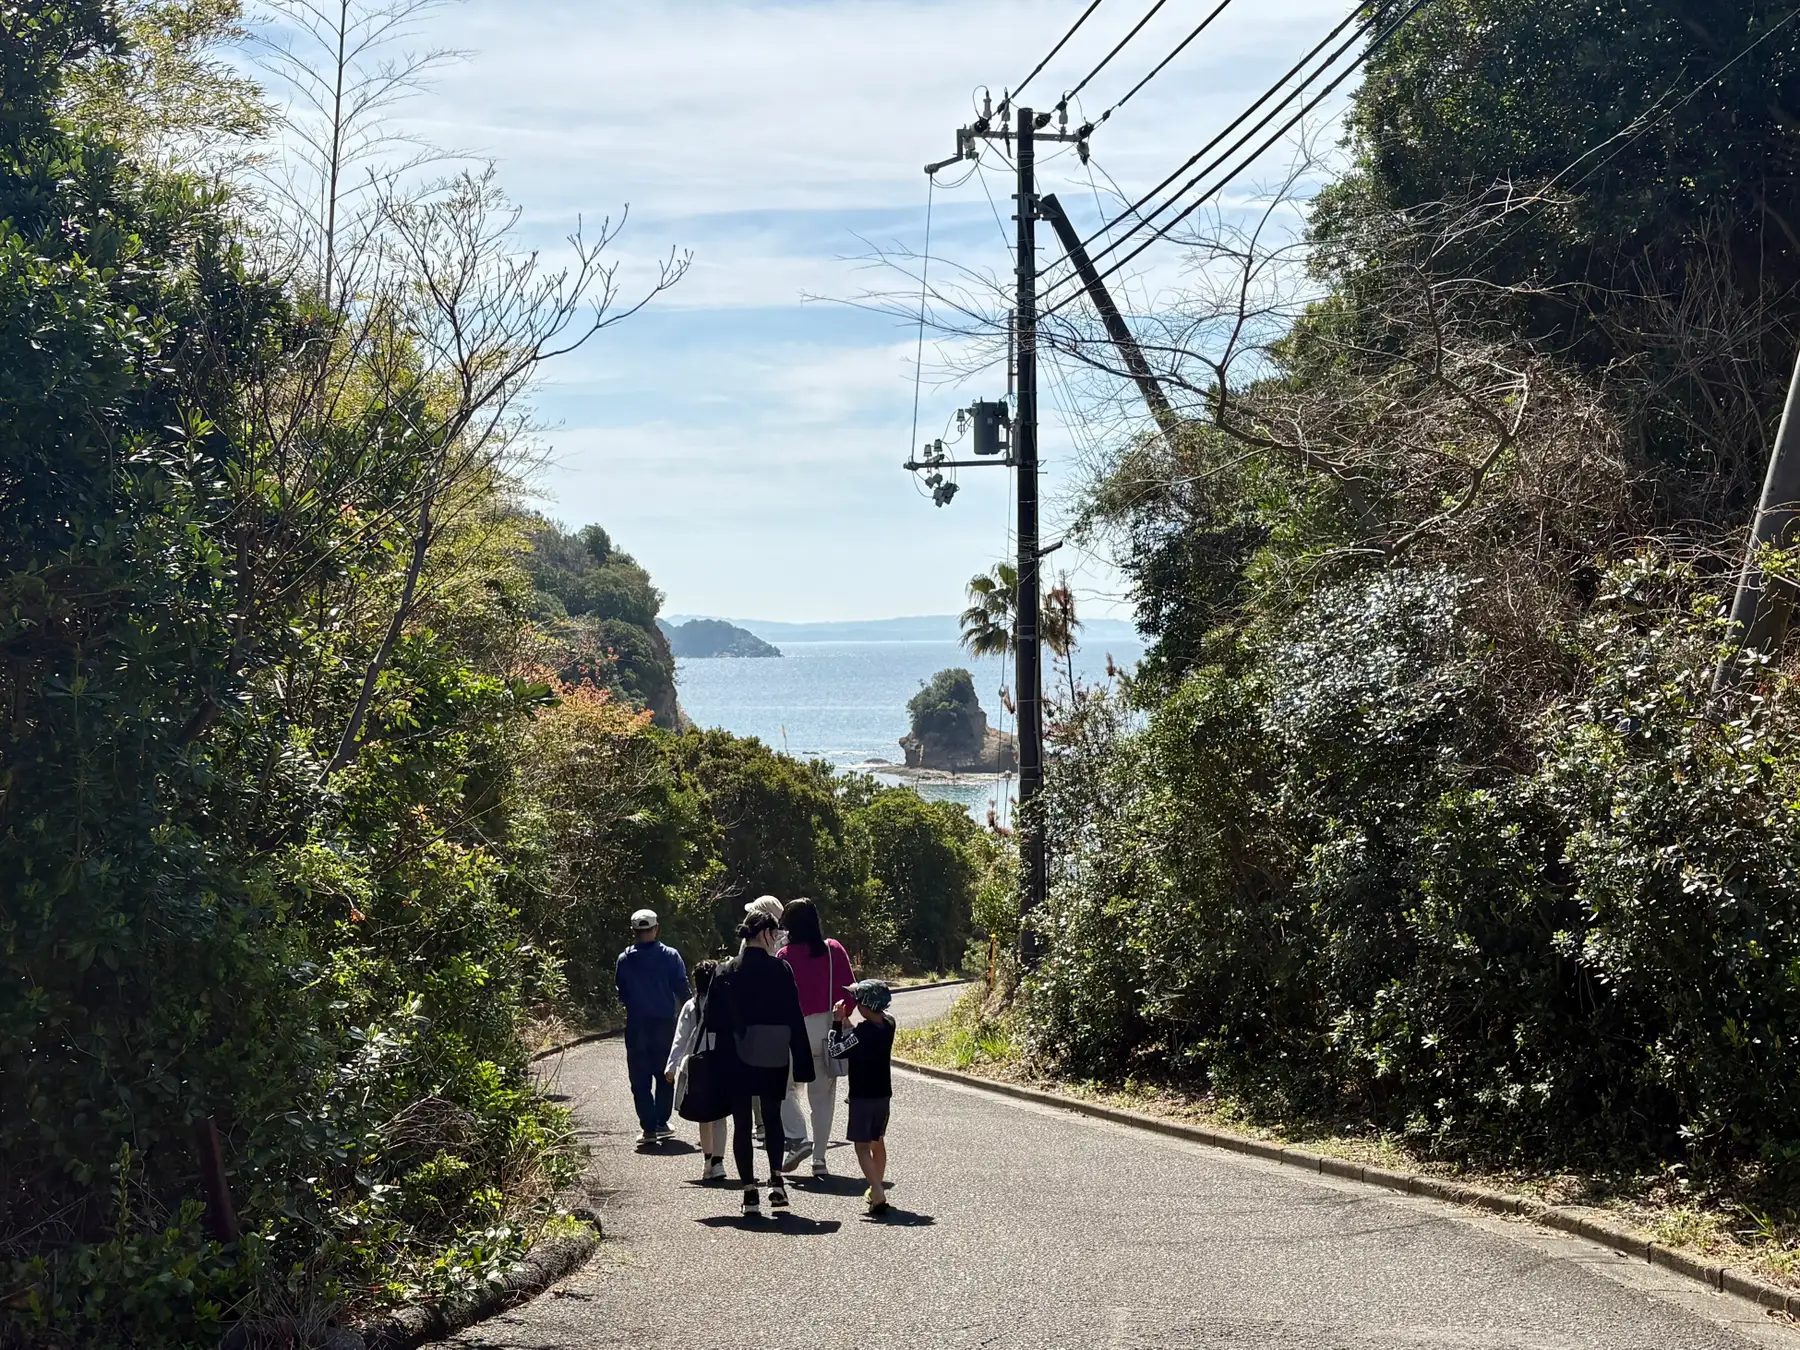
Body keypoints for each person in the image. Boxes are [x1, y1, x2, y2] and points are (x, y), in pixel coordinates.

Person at [705, 910, 814, 1215]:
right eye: (775, 932)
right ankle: (776, 1183)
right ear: (765, 933)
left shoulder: (726, 970)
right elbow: (794, 1016)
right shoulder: (780, 969)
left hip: (735, 1055)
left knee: (742, 1123)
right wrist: (802, 1061)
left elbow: (712, 1020)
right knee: (772, 1117)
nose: (777, 938)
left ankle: (749, 1192)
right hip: (773, 1052)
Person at [776, 898, 856, 1177]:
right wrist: (841, 1016)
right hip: (827, 1028)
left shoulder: (784, 955)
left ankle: (798, 1137)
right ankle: (819, 1159)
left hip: (794, 1031)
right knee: (822, 1097)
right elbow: (850, 992)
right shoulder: (833, 950)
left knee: (782, 1087)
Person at [614, 908, 689, 1145]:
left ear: (634, 931)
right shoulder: (670, 956)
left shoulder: (625, 959)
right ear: (656, 929)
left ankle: (648, 1128)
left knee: (640, 1077)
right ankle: (661, 1122)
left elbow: (621, 992)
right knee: (665, 1073)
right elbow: (683, 989)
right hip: (665, 1025)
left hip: (637, 1026)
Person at [829, 979, 896, 1216]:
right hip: (883, 1094)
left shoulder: (862, 1033)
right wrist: (848, 1025)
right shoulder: (889, 1024)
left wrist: (836, 1023)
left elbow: (835, 1050)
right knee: (878, 1142)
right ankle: (875, 1188)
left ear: (865, 1005)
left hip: (862, 1096)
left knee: (861, 1146)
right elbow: (856, 1041)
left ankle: (877, 1190)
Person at [665, 960, 727, 1180]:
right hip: (721, 1063)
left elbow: (680, 1038)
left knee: (704, 1116)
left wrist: (671, 1066)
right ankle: (718, 1162)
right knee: (720, 1116)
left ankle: (708, 1160)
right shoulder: (724, 1004)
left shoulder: (691, 1007)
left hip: (696, 1066)